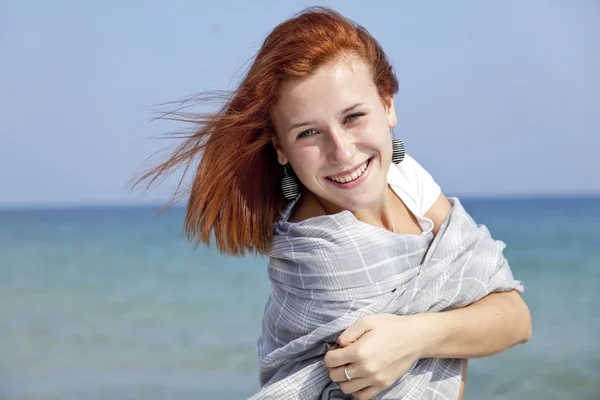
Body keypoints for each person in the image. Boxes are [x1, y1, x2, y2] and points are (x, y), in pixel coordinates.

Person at [131, 6, 531, 400]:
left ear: (387, 105)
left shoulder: (406, 176)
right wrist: (456, 322)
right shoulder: (321, 253)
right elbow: (496, 310)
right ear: (281, 149)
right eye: (308, 133)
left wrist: (415, 335)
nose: (342, 152)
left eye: (354, 117)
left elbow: (517, 318)